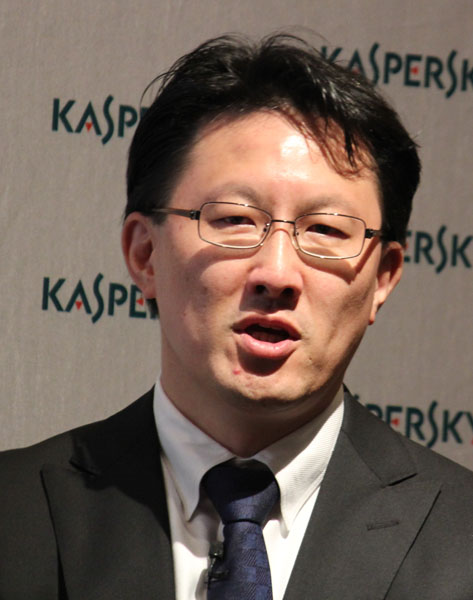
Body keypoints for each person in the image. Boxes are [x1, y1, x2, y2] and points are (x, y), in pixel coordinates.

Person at [1, 34, 472, 600]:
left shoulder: (460, 538)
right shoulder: (16, 513)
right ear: (145, 254)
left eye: (326, 229)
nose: (277, 273)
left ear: (383, 278)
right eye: (234, 220)